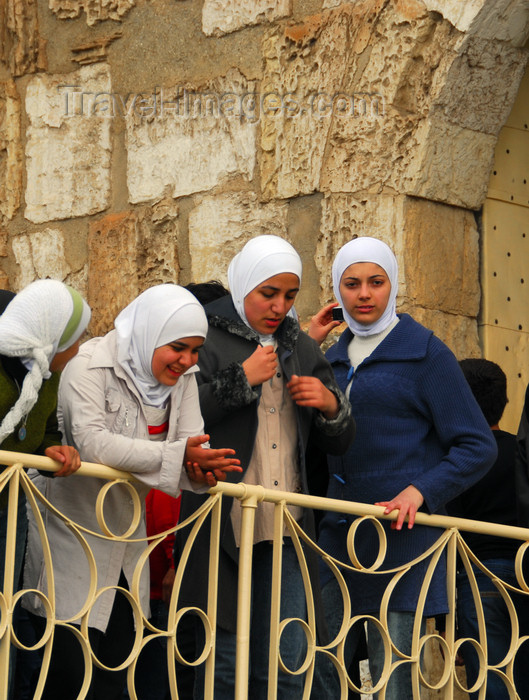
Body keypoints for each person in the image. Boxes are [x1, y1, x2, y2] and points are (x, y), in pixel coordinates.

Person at [23, 284, 242, 700]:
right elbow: (94, 445)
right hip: (71, 541)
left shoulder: (184, 378)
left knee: (117, 674)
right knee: (68, 672)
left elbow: (193, 443)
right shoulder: (89, 366)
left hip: (128, 546)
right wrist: (183, 457)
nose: (187, 361)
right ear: (149, 333)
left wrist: (202, 468)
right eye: (178, 347)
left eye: (195, 350)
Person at [309, 237, 497, 699]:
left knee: (394, 679)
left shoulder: (426, 353)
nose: (364, 294)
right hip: (336, 539)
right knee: (321, 669)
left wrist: (422, 490)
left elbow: (477, 444)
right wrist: (304, 346)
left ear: (393, 287)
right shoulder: (328, 359)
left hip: (403, 541)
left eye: (376, 282)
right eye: (351, 284)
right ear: (338, 290)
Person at [175, 235, 356, 699]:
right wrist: (242, 379)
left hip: (289, 528)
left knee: (287, 664)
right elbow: (178, 416)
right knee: (225, 664)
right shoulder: (206, 338)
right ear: (243, 287)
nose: (279, 306)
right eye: (268, 293)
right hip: (222, 525)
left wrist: (331, 406)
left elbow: (341, 439)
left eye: (290, 295)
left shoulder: (302, 348)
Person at [0, 280, 91, 699]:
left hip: (7, 511)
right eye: (77, 337)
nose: (79, 347)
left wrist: (53, 452)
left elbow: (37, 433)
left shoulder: (44, 370)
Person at [447, 359, 529, 699]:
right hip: (524, 570)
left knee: (492, 684)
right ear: (504, 401)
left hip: (479, 576)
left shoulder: (460, 460)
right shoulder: (519, 451)